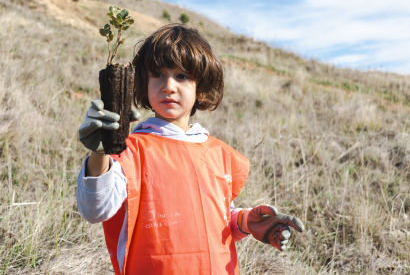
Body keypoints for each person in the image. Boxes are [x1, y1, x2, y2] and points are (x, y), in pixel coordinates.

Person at [76, 24, 305, 275]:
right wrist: (100, 153)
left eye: (182, 76)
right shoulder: (131, 151)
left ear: (201, 86)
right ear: (143, 82)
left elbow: (213, 216)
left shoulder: (218, 153)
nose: (168, 86)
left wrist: (247, 221)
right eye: (158, 74)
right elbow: (95, 209)